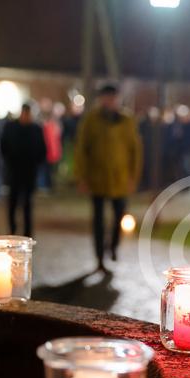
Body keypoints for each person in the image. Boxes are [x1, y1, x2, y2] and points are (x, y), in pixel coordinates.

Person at [74, 83, 142, 271]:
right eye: (106, 97)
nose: (110, 101)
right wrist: (81, 177)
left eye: (113, 98)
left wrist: (132, 177)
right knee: (98, 219)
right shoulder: (91, 120)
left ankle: (113, 246)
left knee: (119, 214)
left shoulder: (127, 121)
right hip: (97, 179)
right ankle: (99, 256)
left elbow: (135, 150)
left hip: (120, 179)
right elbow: (81, 149)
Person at [1, 103, 47, 237]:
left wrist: (36, 163)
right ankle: (12, 229)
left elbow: (42, 150)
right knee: (12, 203)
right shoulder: (11, 127)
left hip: (29, 173)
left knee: (27, 204)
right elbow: (4, 146)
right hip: (14, 172)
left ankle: (27, 233)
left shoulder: (36, 129)